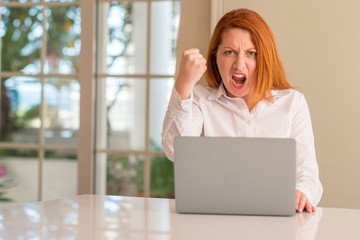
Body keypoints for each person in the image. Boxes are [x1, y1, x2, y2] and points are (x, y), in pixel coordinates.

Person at [161, 8, 323, 213]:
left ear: (265, 58)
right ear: (215, 57)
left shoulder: (292, 103)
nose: (239, 64)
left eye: (251, 54)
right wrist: (184, 84)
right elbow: (174, 151)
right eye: (229, 52)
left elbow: (308, 175)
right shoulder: (201, 100)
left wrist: (301, 192)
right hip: (213, 220)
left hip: (276, 223)